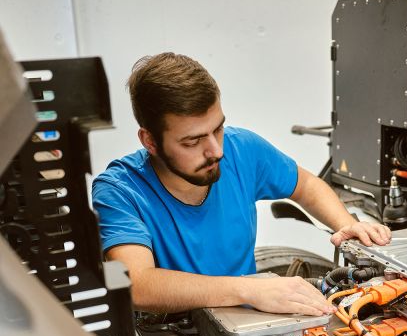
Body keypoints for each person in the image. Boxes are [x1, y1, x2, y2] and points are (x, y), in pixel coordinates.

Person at [92, 53, 391, 317]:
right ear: (150, 141)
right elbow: (138, 285)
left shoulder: (242, 149)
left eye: (218, 128)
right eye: (192, 141)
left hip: (244, 322)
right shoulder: (120, 190)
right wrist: (250, 289)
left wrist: (346, 224)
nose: (216, 151)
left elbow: (307, 185)